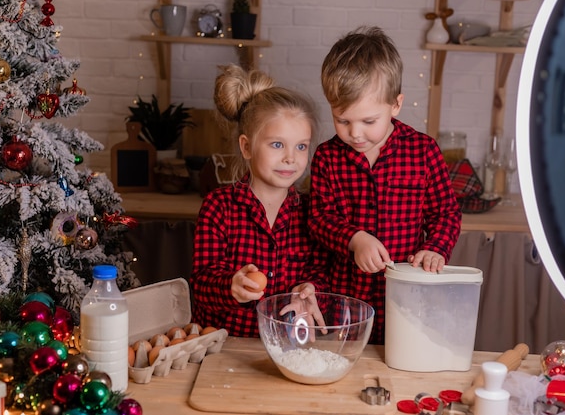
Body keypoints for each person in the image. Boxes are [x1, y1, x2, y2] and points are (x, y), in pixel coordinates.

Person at [310, 26, 461, 344]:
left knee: (402, 360)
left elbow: (446, 212)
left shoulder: (423, 150)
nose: (355, 133)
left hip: (407, 295)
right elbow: (319, 218)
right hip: (345, 297)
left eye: (368, 121)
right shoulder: (327, 156)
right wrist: (355, 239)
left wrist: (435, 248)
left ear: (396, 105)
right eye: (342, 120)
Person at [191, 64, 330, 338]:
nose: (291, 157)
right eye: (277, 144)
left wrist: (310, 290)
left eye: (301, 146)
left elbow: (321, 272)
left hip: (285, 346)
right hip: (225, 346)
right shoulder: (218, 207)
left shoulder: (312, 211)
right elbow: (200, 282)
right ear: (246, 147)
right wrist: (231, 285)